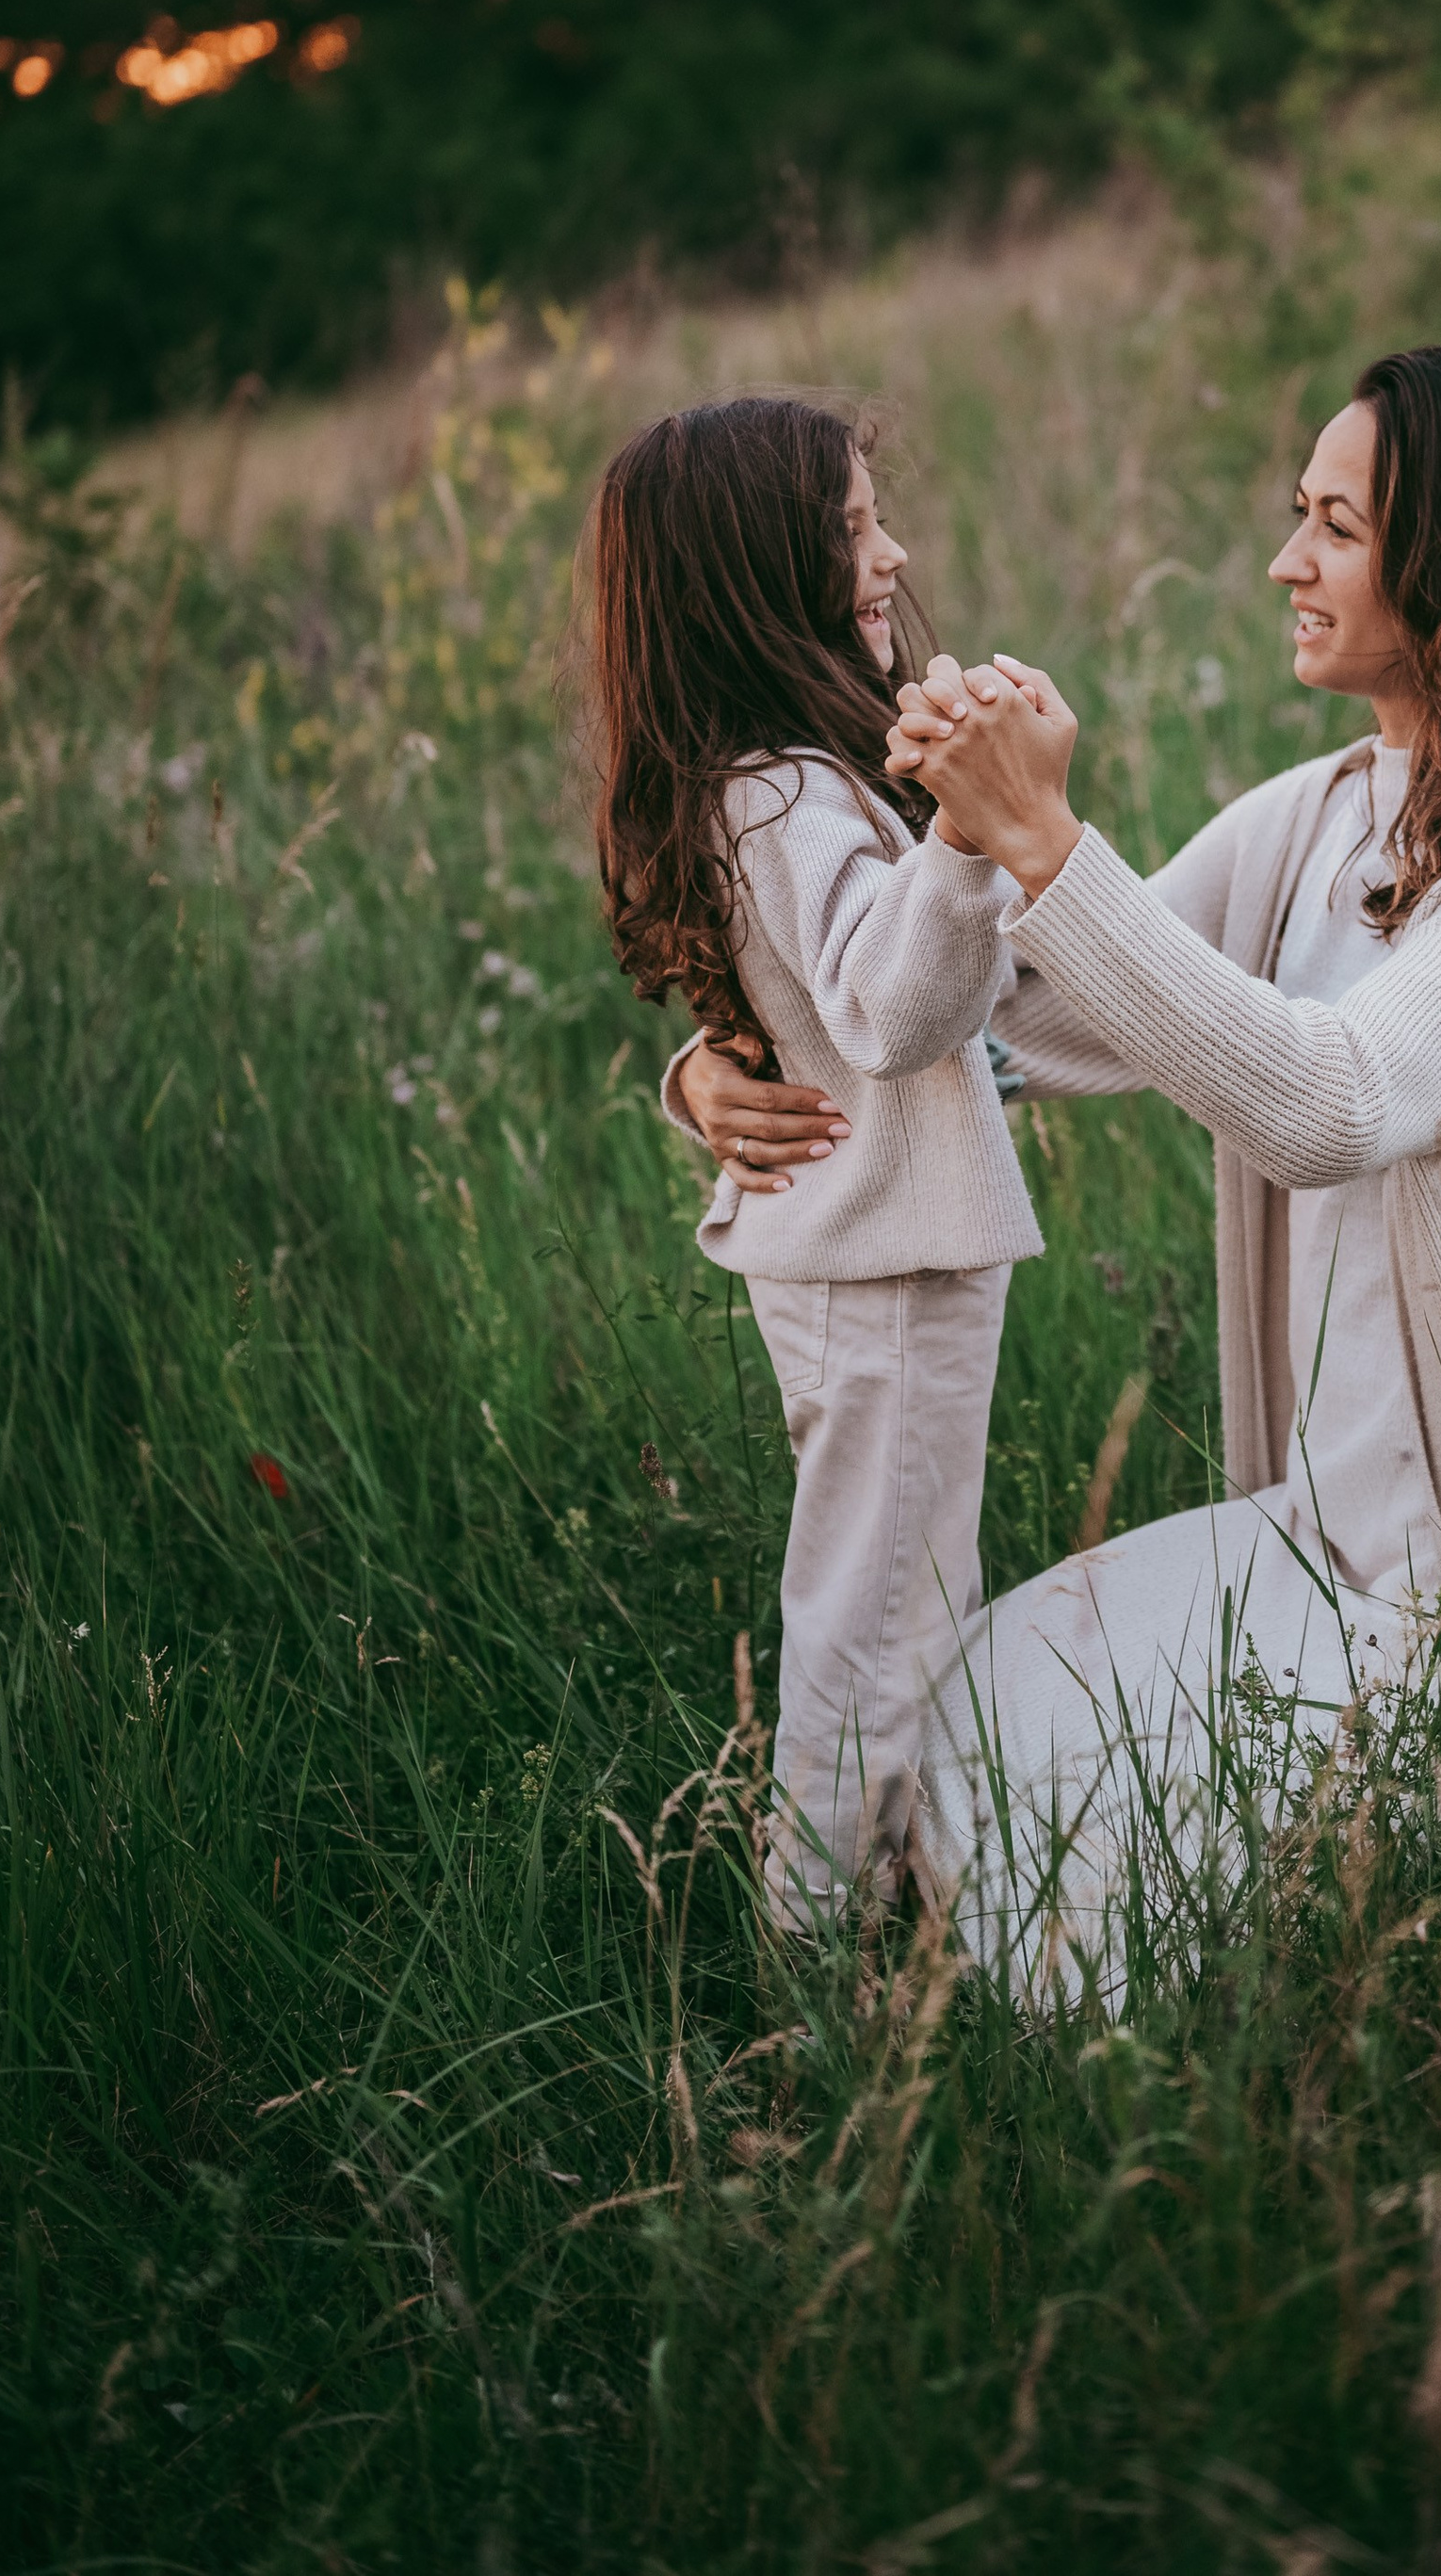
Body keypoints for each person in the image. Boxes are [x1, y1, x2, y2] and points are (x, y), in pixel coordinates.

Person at [678, 347, 1441, 1998]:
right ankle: (885, 1981)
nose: (1287, 561)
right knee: (969, 1727)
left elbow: (1325, 1102)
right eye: (1299, 514)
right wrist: (715, 1064)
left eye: (1338, 528)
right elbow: (1017, 1009)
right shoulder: (1329, 812)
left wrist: (1045, 840)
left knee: (1067, 1915)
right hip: (1318, 1530)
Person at [587, 395, 1041, 1927]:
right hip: (880, 1262)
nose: (891, 553)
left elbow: (881, 1005)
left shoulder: (773, 778)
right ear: (755, 573)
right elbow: (892, 1013)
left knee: (904, 1596)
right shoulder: (780, 789)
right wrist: (967, 831)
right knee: (877, 1620)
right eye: (852, 528)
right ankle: (823, 1939)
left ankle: (918, 1893)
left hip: (874, 1253)